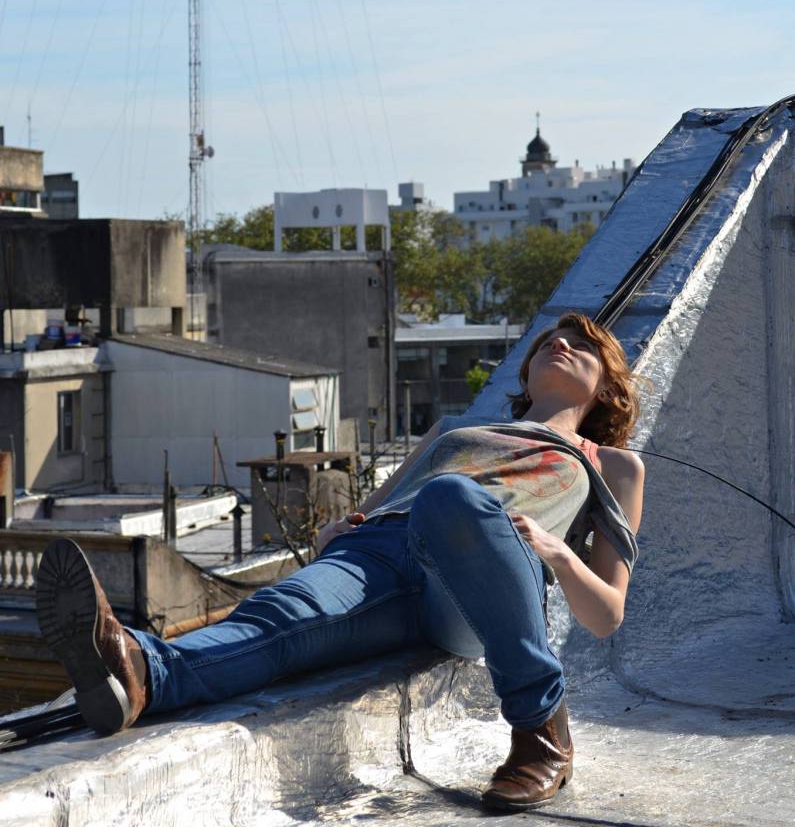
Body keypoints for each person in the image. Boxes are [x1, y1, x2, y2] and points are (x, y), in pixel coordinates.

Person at [36, 312, 644, 811]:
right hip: (378, 551)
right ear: (528, 375)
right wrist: (339, 529)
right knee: (278, 616)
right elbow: (377, 506)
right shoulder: (456, 429)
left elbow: (606, 614)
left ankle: (541, 732)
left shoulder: (612, 466)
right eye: (551, 340)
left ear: (607, 390)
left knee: (450, 498)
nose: (561, 344)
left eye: (582, 345)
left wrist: (558, 552)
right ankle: (142, 671)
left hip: (474, 580)